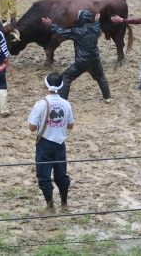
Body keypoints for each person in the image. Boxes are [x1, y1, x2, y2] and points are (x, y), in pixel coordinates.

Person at [42, 12, 113, 103]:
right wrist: (96, 21)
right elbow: (97, 26)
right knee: (101, 77)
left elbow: (61, 31)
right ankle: (107, 98)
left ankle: (63, 100)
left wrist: (50, 24)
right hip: (95, 60)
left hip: (81, 62)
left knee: (66, 78)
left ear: (80, 19)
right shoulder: (96, 29)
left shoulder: (77, 31)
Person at [28, 72, 73, 211]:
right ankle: (64, 204)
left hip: (44, 143)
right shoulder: (66, 104)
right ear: (61, 86)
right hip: (60, 144)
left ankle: (50, 206)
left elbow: (32, 127)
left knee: (44, 175)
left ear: (46, 85)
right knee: (62, 174)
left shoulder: (40, 104)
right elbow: (70, 125)